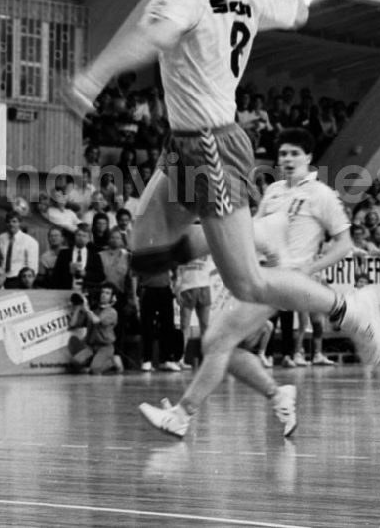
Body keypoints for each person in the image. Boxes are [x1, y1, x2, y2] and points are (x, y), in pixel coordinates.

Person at [62, 0, 380, 418]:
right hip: (189, 143)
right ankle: (244, 239)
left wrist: (93, 77)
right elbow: (298, 9)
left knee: (247, 284)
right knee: (144, 252)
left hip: (210, 143)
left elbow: (155, 37)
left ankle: (351, 310)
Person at [140, 128, 354, 437]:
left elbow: (344, 244)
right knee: (216, 344)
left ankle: (182, 414)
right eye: (283, 154)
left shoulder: (321, 194)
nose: (288, 159)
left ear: (309, 157)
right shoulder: (275, 191)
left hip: (285, 280)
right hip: (257, 276)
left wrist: (310, 269)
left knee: (220, 341)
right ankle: (277, 394)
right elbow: (251, 233)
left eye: (295, 153)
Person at [67, 286, 122, 374]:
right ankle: (94, 363)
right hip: (90, 346)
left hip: (105, 346)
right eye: (102, 292)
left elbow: (96, 320)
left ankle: (113, 361)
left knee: (95, 370)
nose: (103, 295)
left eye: (107, 293)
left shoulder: (111, 312)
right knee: (75, 363)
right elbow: (72, 324)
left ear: (112, 297)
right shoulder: (93, 311)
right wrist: (78, 307)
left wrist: (86, 308)